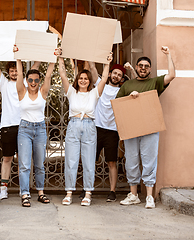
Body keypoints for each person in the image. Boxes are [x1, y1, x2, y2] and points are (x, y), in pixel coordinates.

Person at [116, 46, 175, 209]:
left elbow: (172, 75)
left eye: (146, 66)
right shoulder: (127, 85)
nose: (143, 68)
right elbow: (117, 105)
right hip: (131, 129)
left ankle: (149, 197)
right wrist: (130, 97)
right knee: (131, 162)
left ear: (150, 69)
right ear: (136, 67)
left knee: (149, 161)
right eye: (140, 66)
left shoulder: (155, 82)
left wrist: (169, 54)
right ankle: (133, 195)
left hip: (150, 128)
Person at [0, 39, 40, 200]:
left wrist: (47, 50)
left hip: (24, 125)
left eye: (16, 70)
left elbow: (36, 66)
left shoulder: (25, 82)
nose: (14, 73)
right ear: (8, 72)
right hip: (8, 126)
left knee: (24, 160)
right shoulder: (3, 83)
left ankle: (23, 189)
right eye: (11, 70)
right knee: (7, 158)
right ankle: (4, 188)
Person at [58, 49, 112, 206]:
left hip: (89, 126)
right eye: (80, 78)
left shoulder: (95, 93)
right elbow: (63, 75)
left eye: (86, 78)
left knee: (88, 161)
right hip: (73, 126)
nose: (83, 80)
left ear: (90, 81)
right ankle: (69, 193)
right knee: (71, 160)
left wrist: (107, 63)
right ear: (77, 80)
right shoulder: (71, 92)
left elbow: (104, 79)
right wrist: (61, 58)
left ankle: (88, 193)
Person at [14, 46, 56, 207]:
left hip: (39, 129)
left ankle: (40, 192)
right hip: (24, 129)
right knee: (24, 164)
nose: (33, 83)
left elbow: (49, 75)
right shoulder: (21, 92)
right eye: (30, 80)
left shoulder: (43, 92)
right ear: (26, 81)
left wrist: (53, 57)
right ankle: (24, 194)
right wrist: (18, 57)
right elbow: (19, 74)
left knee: (39, 164)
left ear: (39, 82)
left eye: (36, 80)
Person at [94, 63, 127, 202]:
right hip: (96, 128)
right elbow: (92, 69)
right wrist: (105, 61)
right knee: (90, 160)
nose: (116, 76)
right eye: (114, 73)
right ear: (109, 74)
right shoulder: (101, 85)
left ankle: (112, 191)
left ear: (121, 79)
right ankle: (86, 189)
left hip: (112, 131)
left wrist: (130, 70)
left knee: (112, 162)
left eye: (119, 75)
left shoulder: (122, 91)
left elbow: (134, 85)